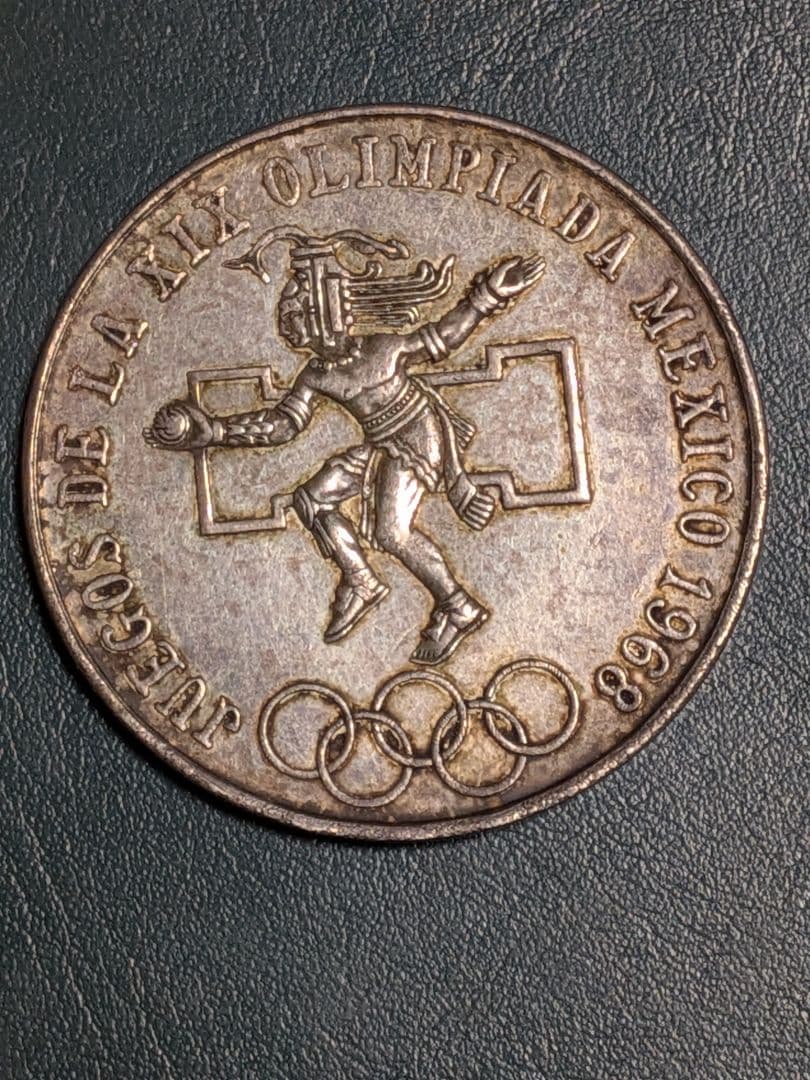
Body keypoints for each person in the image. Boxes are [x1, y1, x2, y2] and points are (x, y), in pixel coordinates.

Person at [145, 226, 544, 665]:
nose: (292, 327)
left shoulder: (383, 348)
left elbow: (444, 337)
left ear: (328, 309)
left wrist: (487, 296)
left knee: (393, 533)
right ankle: (361, 580)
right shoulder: (317, 375)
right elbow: (284, 424)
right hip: (381, 445)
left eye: (299, 314)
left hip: (418, 437)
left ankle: (458, 606)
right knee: (312, 498)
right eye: (290, 318)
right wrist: (218, 432)